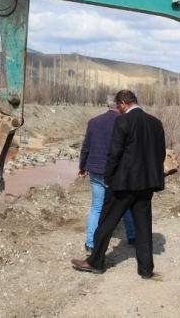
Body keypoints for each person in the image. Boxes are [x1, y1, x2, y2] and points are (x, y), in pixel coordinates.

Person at [71, 89, 166, 279]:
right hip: (146, 184)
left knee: (106, 222)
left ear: (123, 103)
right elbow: (160, 153)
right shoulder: (155, 123)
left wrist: (108, 179)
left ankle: (95, 262)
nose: (119, 109)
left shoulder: (123, 121)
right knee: (143, 227)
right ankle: (146, 270)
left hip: (123, 184)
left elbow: (114, 154)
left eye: (119, 106)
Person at [78, 97, 136, 256]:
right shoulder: (126, 122)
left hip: (96, 169)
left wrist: (82, 166)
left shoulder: (94, 121)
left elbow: (86, 147)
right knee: (123, 205)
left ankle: (90, 244)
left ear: (106, 104)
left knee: (96, 206)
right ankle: (132, 237)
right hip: (117, 171)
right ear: (119, 105)